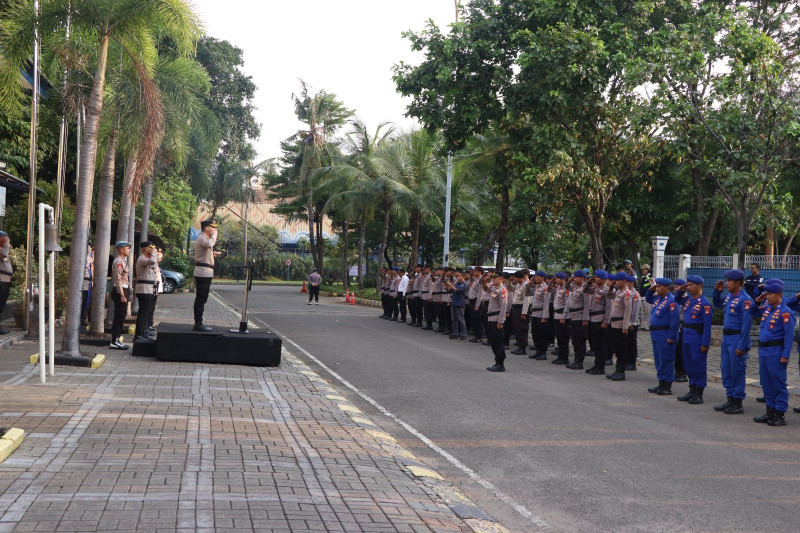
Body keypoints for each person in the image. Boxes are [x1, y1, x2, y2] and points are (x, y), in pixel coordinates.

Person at [751, 282, 794, 426]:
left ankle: (779, 414)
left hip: (776, 353)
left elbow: (789, 337)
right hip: (764, 352)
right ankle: (770, 411)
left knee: (778, 383)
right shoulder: (767, 309)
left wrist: (785, 355)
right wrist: (757, 301)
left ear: (779, 295)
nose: (767, 297)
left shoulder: (786, 312)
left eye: (770, 294)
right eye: (766, 294)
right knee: (767, 383)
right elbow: (752, 312)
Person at [711, 270, 754, 415]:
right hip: (727, 338)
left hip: (737, 338)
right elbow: (717, 304)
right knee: (727, 369)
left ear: (737, 282)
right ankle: (730, 398)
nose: (727, 283)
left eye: (729, 281)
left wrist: (742, 345)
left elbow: (746, 325)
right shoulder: (730, 297)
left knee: (737, 370)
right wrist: (717, 292)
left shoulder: (745, 299)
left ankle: (737, 402)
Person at [675, 276, 713, 405]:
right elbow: (677, 299)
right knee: (688, 365)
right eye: (688, 285)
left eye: (691, 285)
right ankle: (691, 390)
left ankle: (699, 393)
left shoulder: (705, 303)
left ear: (700, 286)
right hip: (686, 337)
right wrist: (680, 290)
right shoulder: (688, 300)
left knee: (698, 366)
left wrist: (705, 343)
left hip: (697, 338)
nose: (689, 287)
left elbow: (707, 327)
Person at [645, 278, 681, 395]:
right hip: (656, 334)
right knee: (658, 359)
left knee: (666, 359)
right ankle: (661, 382)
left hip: (665, 334)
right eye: (657, 286)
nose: (657, 288)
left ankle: (667, 385)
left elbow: (675, 321)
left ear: (667, 287)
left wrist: (672, 336)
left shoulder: (672, 301)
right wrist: (650, 290)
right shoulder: (659, 299)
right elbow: (648, 299)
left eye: (659, 286)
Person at [193, 219, 219, 331]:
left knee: (203, 298)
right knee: (201, 298)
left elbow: (207, 250)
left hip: (207, 271)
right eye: (212, 227)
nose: (214, 229)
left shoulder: (205, 239)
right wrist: (215, 235)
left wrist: (212, 254)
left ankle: (199, 321)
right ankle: (198, 323)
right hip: (202, 272)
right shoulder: (202, 237)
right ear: (207, 228)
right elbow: (209, 244)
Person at [606, 273, 632, 381]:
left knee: (621, 350)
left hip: (621, 325)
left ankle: (621, 372)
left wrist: (625, 327)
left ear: (625, 281)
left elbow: (627, 311)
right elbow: (609, 296)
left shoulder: (627, 293)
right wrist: (611, 287)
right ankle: (617, 370)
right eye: (616, 280)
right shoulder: (618, 292)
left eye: (619, 280)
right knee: (616, 348)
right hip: (614, 324)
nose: (616, 282)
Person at [584, 270, 609, 375]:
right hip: (593, 318)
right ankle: (596, 364)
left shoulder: (606, 290)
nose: (595, 279)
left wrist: (606, 321)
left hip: (600, 319)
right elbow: (585, 290)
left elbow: (609, 307)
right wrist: (589, 281)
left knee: (600, 345)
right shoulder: (596, 289)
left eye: (597, 277)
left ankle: (601, 367)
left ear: (603, 279)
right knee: (595, 344)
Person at [565, 270, 591, 369]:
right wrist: (569, 280)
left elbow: (587, 305)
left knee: (580, 340)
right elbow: (567, 287)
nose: (574, 279)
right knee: (575, 340)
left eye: (576, 277)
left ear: (582, 278)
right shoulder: (576, 287)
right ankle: (576, 360)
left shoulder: (585, 288)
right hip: (574, 317)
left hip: (580, 318)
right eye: (574, 277)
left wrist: (585, 319)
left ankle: (580, 361)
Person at [134, 241, 159, 341]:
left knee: (147, 313)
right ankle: (139, 334)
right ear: (145, 249)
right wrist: (153, 254)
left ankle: (143, 331)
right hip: (143, 290)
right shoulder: (142, 259)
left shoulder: (147, 259)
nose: (152, 249)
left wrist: (153, 254)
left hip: (149, 289)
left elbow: (154, 264)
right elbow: (153, 261)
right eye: (150, 248)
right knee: (143, 313)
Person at [109, 241, 131, 350]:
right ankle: (114, 341)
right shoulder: (118, 262)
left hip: (123, 290)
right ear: (121, 250)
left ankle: (116, 339)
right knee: (119, 316)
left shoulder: (123, 261)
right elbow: (118, 279)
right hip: (120, 291)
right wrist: (122, 294)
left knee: (121, 316)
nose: (129, 250)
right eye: (127, 248)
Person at [486, 272, 509, 372]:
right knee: (493, 341)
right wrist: (485, 282)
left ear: (500, 278)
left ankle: (500, 364)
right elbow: (486, 290)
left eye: (494, 278)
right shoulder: (494, 289)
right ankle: (497, 362)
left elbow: (503, 307)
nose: (492, 280)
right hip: (491, 318)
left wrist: (500, 321)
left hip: (497, 319)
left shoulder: (502, 290)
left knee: (498, 342)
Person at [551, 272, 570, 365]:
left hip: (563, 316)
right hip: (557, 315)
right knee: (559, 337)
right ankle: (560, 356)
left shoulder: (566, 289)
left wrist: (564, 317)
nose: (556, 280)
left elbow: (567, 304)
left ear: (563, 279)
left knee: (563, 338)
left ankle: (564, 357)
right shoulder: (558, 288)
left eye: (558, 278)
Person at [671, 278, 689, 382]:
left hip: (684, 328)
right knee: (676, 351)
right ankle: (677, 371)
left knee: (682, 351)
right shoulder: (676, 298)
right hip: (676, 327)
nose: (676, 289)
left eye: (678, 287)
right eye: (675, 287)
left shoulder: (687, 299)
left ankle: (682, 372)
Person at [510, 270, 530, 355]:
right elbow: (510, 289)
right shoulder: (518, 285)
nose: (515, 279)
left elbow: (527, 300)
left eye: (516, 278)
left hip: (521, 308)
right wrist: (510, 282)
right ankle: (519, 345)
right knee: (516, 328)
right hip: (515, 308)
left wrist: (524, 313)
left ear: (521, 278)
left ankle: (523, 347)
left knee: (522, 328)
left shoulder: (526, 286)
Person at [447, 271, 468, 339]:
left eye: (459, 276)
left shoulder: (463, 284)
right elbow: (450, 291)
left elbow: (458, 290)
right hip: (454, 303)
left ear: (463, 277)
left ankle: (463, 333)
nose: (458, 277)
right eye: (457, 276)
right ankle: (455, 333)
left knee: (461, 319)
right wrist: (447, 286)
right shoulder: (456, 283)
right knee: (454, 319)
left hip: (460, 303)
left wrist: (450, 285)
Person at [626, 274, 641, 370]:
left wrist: (632, 323)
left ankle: (632, 362)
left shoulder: (635, 294)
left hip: (632, 323)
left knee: (631, 343)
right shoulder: (627, 293)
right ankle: (627, 361)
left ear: (630, 283)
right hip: (627, 322)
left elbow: (635, 310)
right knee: (626, 343)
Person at [0, 231, 13, 336]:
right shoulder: (2, 250)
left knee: (2, 304)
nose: (7, 240)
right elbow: (4, 254)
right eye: (5, 238)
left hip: (5, 280)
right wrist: (6, 244)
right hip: (1, 280)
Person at [81, 242, 94, 328]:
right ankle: (82, 319)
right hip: (84, 282)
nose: (88, 249)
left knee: (88, 302)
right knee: (83, 301)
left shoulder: (90, 257)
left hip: (89, 282)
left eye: (89, 247)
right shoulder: (83, 258)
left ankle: (84, 319)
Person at [639, 264, 653, 330]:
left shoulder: (650, 277)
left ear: (647, 269)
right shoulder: (643, 277)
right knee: (643, 312)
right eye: (642, 269)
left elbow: (653, 286)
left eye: (644, 269)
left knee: (648, 312)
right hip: (642, 296)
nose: (643, 271)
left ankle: (647, 326)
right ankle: (643, 325)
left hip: (647, 297)